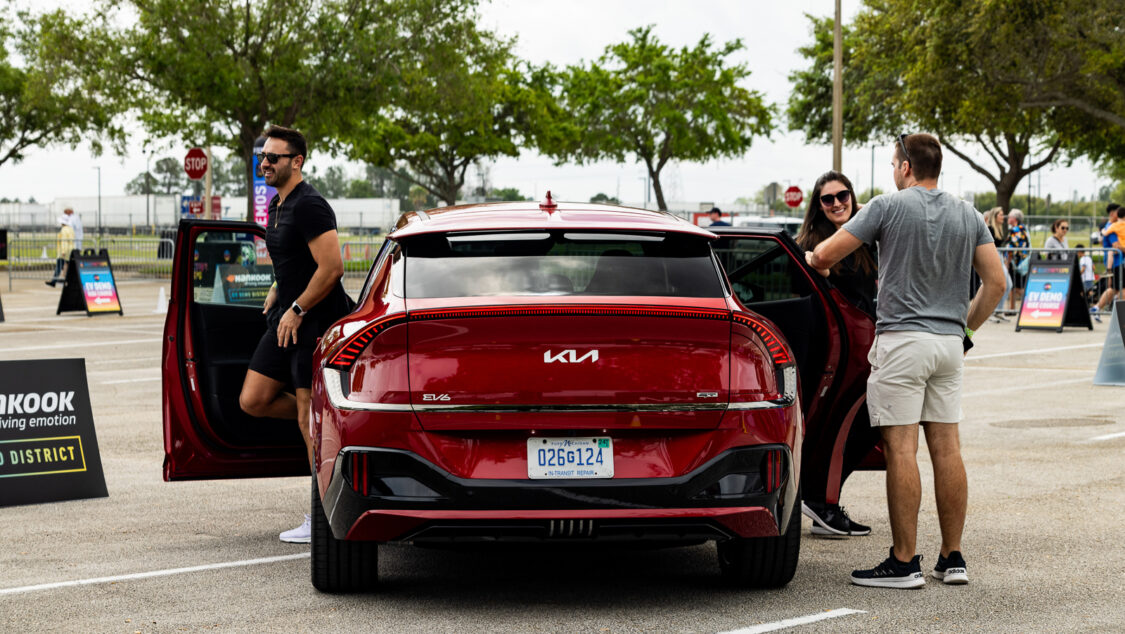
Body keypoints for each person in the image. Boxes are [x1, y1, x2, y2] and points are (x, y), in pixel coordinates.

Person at [806, 133, 1005, 589]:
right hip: (948, 346)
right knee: (947, 448)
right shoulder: (968, 213)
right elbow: (996, 283)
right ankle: (952, 558)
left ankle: (903, 562)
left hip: (902, 342)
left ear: (906, 167)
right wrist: (966, 332)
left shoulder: (887, 206)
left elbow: (827, 254)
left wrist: (812, 257)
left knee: (901, 449)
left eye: (895, 163)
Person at [238, 125, 351, 544]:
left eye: (273, 158)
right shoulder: (277, 204)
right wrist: (275, 288)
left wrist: (299, 308)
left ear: (296, 161)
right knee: (253, 399)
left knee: (307, 419)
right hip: (285, 317)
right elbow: (290, 258)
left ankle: (320, 515)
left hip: (313, 322)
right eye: (262, 158)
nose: (264, 164)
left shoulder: (311, 205)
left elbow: (332, 268)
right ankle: (330, 419)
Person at [795, 170, 879, 537]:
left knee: (869, 428)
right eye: (827, 199)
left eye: (842, 195)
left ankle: (822, 500)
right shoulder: (812, 243)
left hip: (866, 350)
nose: (836, 203)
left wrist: (862, 214)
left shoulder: (863, 238)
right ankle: (822, 502)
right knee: (840, 430)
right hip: (835, 355)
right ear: (818, 206)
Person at [1094, 205, 1125, 316]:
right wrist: (1109, 269)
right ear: (1112, 214)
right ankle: (1120, 314)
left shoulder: (1111, 227)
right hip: (1117, 263)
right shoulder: (1113, 228)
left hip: (1117, 262)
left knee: (1114, 289)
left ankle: (1096, 308)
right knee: (1121, 289)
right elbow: (1115, 247)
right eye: (1118, 212)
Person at [982, 207, 1011, 318]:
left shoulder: (998, 229)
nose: (1003, 217)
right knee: (1000, 284)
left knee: (1008, 284)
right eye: (1001, 215)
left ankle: (999, 310)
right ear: (995, 216)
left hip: (999, 256)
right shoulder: (990, 229)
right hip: (994, 257)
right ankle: (992, 311)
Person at [1005, 209, 1030, 311]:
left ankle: (1017, 308)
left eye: (1009, 217)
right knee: (1015, 286)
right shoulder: (1023, 228)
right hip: (1023, 261)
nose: (1007, 218)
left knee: (1015, 286)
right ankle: (1012, 308)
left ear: (1014, 219)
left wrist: (1007, 262)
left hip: (1016, 262)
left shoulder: (1015, 230)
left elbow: (1011, 248)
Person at [45, 214, 75, 287]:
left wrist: (63, 251)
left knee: (59, 266)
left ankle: (54, 281)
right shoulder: (71, 229)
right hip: (71, 250)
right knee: (68, 267)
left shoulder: (64, 230)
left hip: (64, 251)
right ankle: (67, 281)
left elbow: (64, 241)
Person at [1078, 244, 1099, 322]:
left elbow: (1083, 269)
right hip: (1091, 278)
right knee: (1090, 293)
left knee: (1083, 293)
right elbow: (1094, 268)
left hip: (1085, 279)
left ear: (1079, 252)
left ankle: (1086, 309)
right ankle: (1095, 309)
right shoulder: (1089, 258)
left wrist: (1078, 274)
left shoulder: (1082, 259)